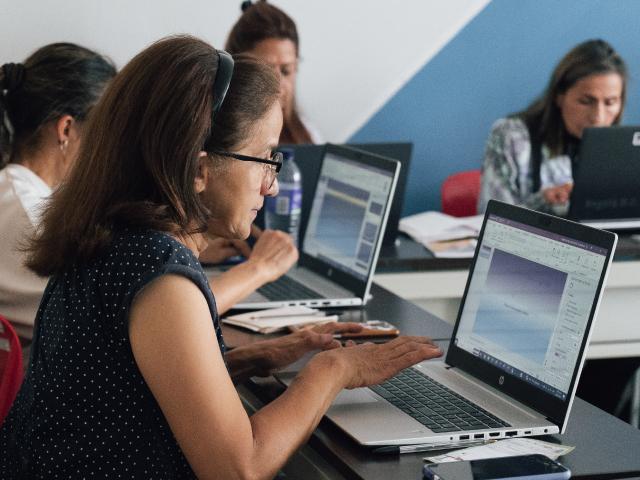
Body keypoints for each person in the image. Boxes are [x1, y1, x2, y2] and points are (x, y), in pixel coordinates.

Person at [0, 36, 443, 478]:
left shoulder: (113, 239)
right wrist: (334, 368)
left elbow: (136, 387)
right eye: (266, 158)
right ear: (198, 168)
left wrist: (258, 357)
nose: (271, 184)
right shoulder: (158, 277)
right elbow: (238, 468)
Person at [0, 43, 116, 340]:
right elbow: (122, 323)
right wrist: (254, 268)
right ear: (66, 129)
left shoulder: (17, 195)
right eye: (105, 131)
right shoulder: (34, 218)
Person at [478, 39, 627, 215]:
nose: (598, 117)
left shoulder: (625, 148)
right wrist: (543, 202)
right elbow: (492, 221)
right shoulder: (511, 136)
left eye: (610, 103)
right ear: (559, 96)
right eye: (586, 101)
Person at [226, 0, 322, 144]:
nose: (278, 85)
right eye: (265, 73)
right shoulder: (212, 135)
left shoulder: (308, 134)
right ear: (237, 69)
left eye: (286, 71)